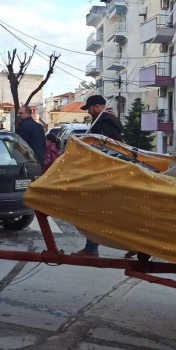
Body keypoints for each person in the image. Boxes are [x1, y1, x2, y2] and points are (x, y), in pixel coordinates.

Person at [73, 95, 125, 257]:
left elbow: (102, 151)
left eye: (89, 108)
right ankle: (133, 245)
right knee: (112, 211)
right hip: (113, 173)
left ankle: (91, 248)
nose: (88, 112)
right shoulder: (108, 121)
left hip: (103, 174)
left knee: (94, 211)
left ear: (96, 107)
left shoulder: (103, 124)